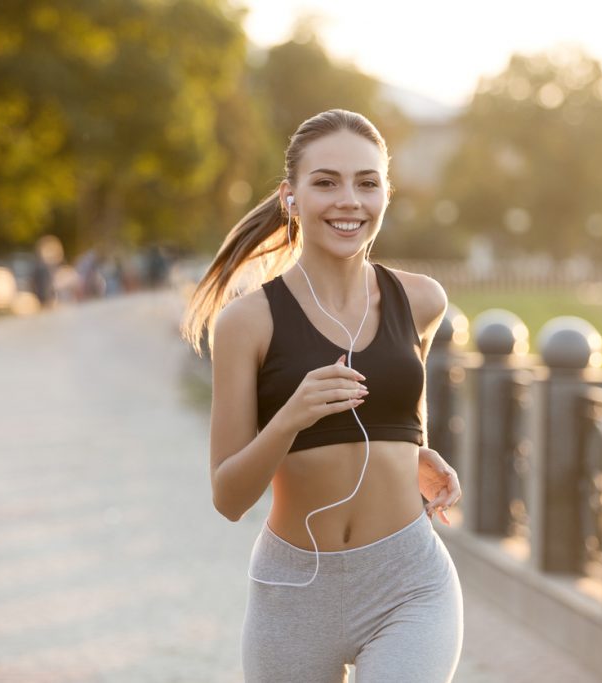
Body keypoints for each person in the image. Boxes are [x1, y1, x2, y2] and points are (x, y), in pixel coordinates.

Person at [182, 109, 463, 682]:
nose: (349, 200)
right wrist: (290, 418)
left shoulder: (423, 301)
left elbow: (408, 406)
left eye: (367, 182)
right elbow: (228, 498)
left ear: (387, 192)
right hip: (294, 590)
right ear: (291, 196)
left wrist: (417, 453)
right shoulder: (247, 322)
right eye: (326, 181)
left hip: (409, 582)